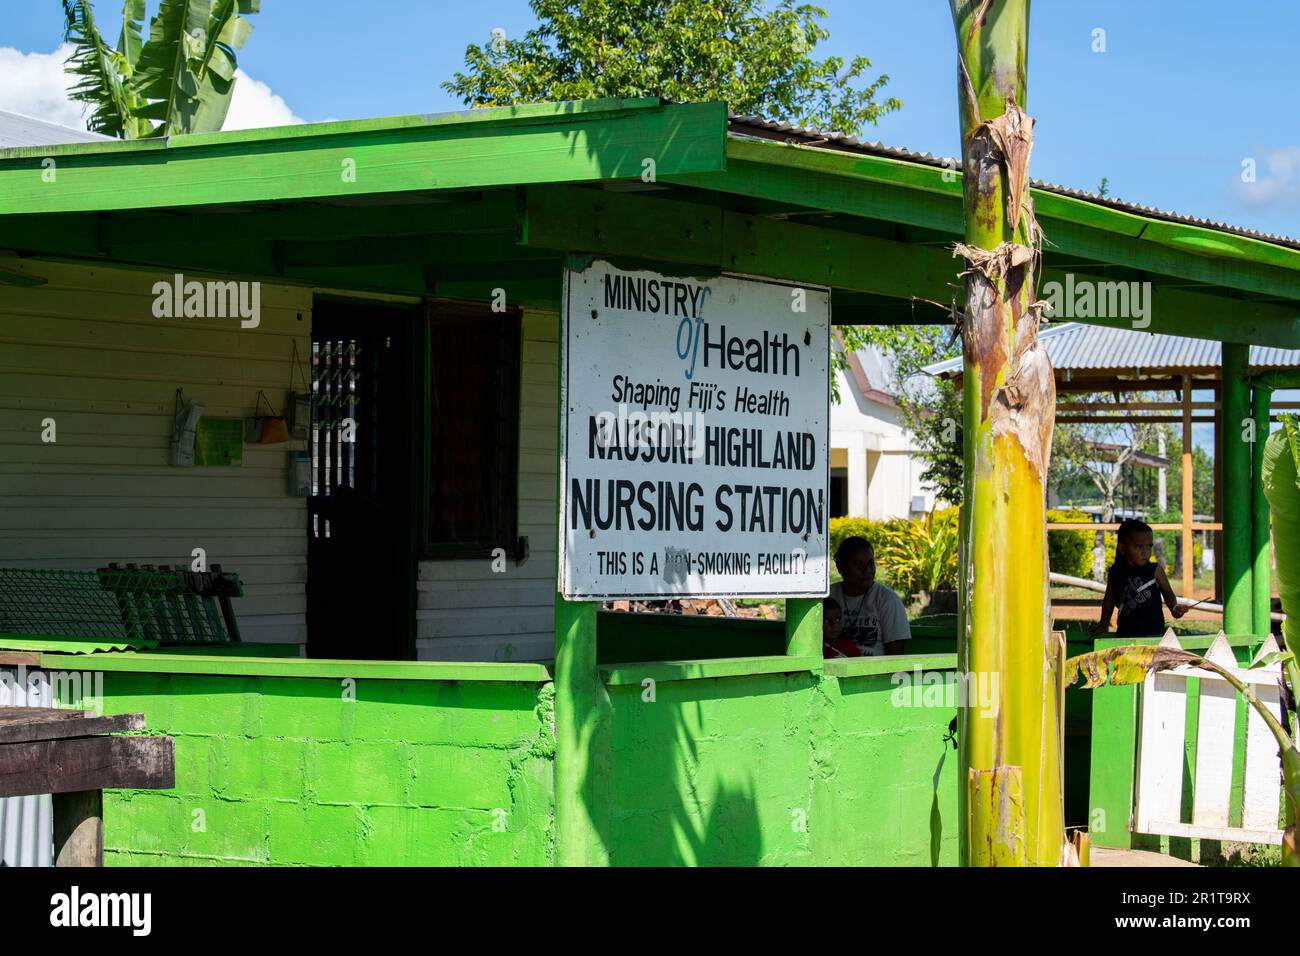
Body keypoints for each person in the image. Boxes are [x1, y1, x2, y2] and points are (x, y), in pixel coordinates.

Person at [1090, 518, 1187, 637]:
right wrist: (1103, 624)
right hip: (1125, 636)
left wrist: (1174, 608)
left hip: (1154, 635)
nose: (1145, 552)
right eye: (1139, 547)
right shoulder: (1115, 573)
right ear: (1122, 548)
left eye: (1149, 546)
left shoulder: (1155, 570)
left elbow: (1168, 594)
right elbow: (1109, 600)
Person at [828, 536, 911, 655]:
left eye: (870, 563)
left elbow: (896, 655)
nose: (867, 570)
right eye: (858, 564)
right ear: (840, 566)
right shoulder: (828, 596)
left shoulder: (887, 599)